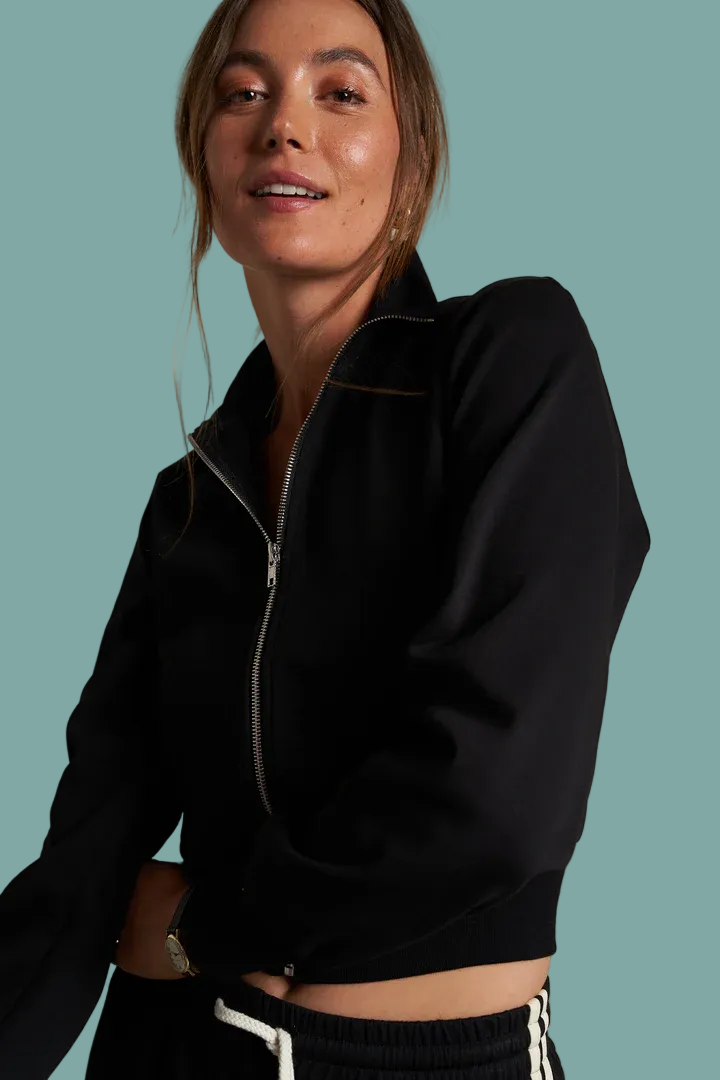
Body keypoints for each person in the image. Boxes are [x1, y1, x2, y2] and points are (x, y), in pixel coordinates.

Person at [0, 0, 651, 1077]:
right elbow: (85, 861)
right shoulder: (188, 500)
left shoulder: (511, 359)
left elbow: (497, 799)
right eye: (243, 94)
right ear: (206, 163)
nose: (283, 126)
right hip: (177, 1050)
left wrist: (203, 929)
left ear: (411, 157)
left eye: (340, 92)